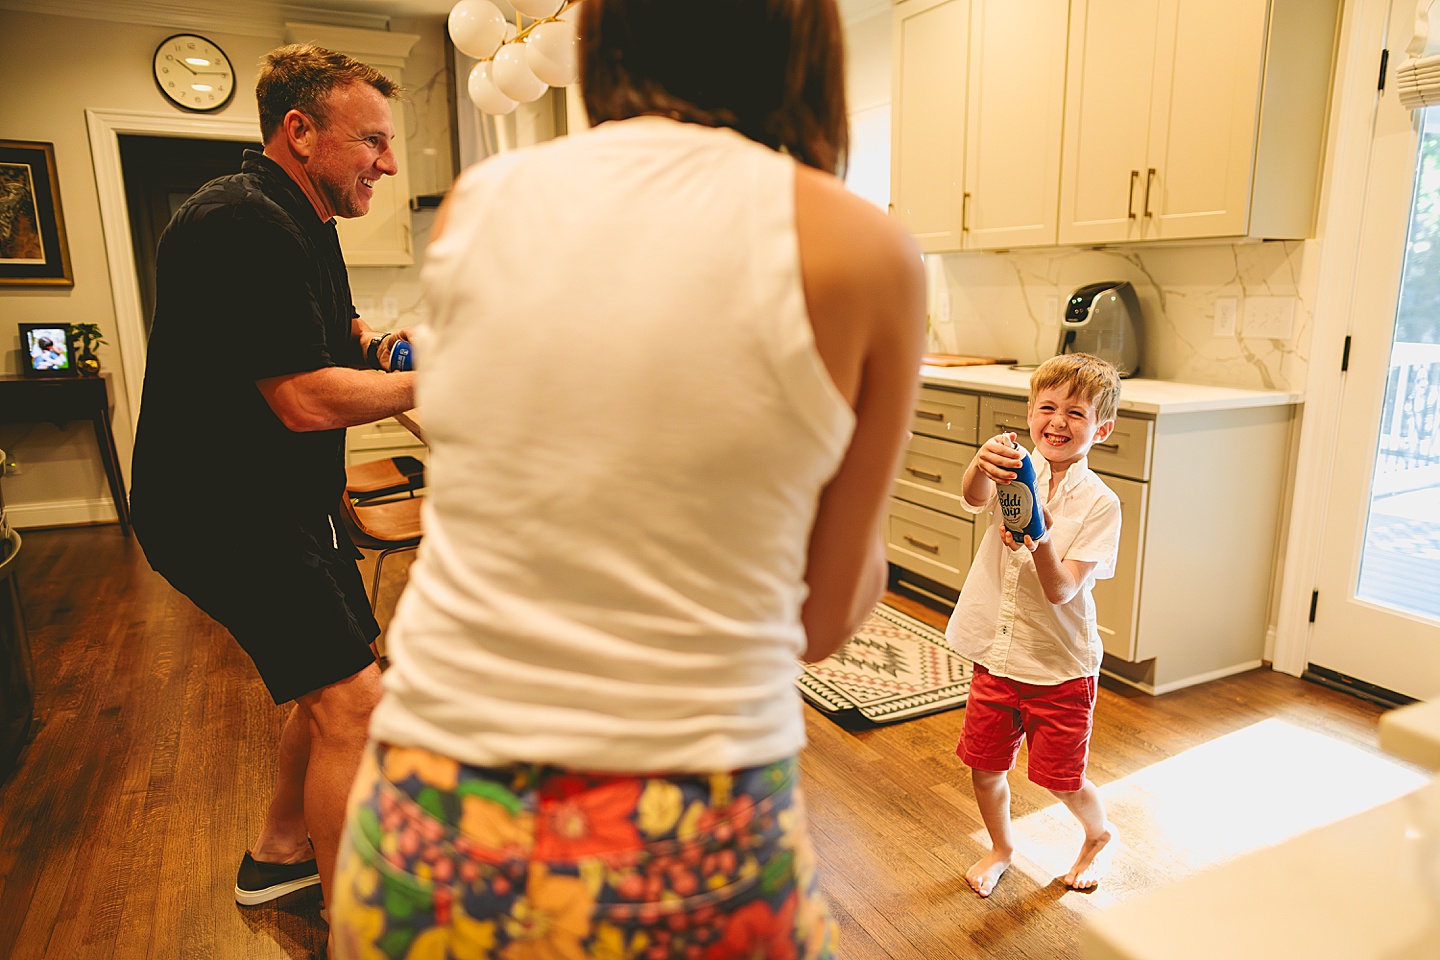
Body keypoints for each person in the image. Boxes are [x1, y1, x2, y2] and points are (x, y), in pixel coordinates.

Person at [328, 1, 926, 956]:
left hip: (428, 818)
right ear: (803, 40)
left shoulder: (484, 204)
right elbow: (820, 621)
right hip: (691, 830)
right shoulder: (863, 249)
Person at [128, 43, 416, 927]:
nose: (390, 163)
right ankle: (359, 924)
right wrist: (440, 386)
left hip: (283, 503)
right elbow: (300, 397)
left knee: (341, 679)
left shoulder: (302, 216)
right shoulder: (241, 220)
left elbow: (340, 326)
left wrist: (388, 351)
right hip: (221, 512)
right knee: (354, 707)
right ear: (300, 131)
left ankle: (279, 858)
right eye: (370, 141)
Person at [945, 352, 1123, 898]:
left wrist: (1038, 536)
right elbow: (972, 497)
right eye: (1048, 407)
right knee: (984, 764)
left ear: (1102, 428)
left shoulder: (1100, 504)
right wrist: (981, 462)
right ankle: (1001, 848)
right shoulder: (1016, 470)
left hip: (1058, 666)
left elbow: (1062, 589)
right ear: (1029, 413)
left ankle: (1099, 833)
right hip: (997, 654)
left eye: (1076, 412)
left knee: (1059, 778)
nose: (1059, 421)